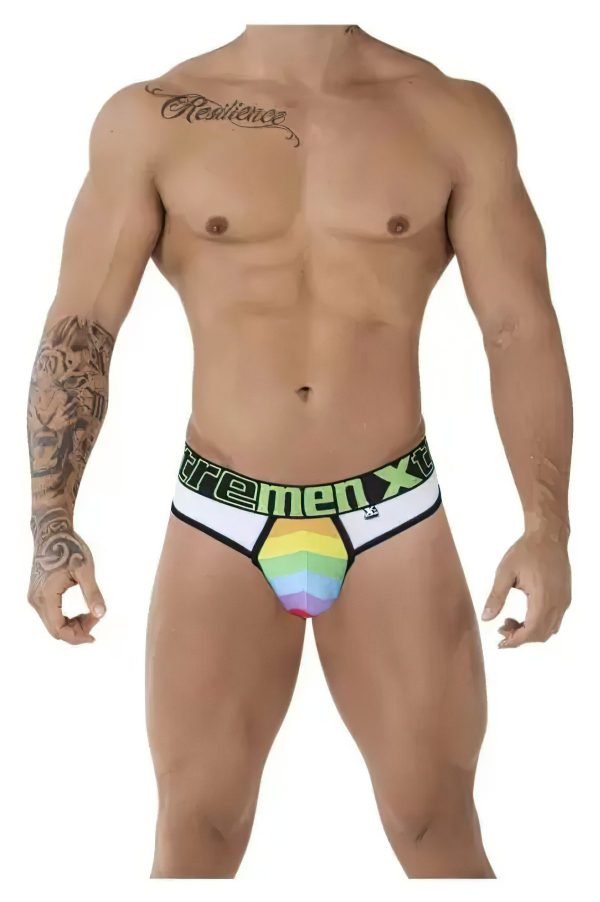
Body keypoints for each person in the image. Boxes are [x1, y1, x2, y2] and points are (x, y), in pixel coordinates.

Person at [26, 24, 573, 879]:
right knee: (197, 832)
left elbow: (518, 327)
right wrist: (52, 525)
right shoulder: (152, 116)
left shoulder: (452, 115)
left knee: (435, 824)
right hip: (222, 515)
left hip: (392, 514)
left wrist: (547, 528)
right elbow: (82, 328)